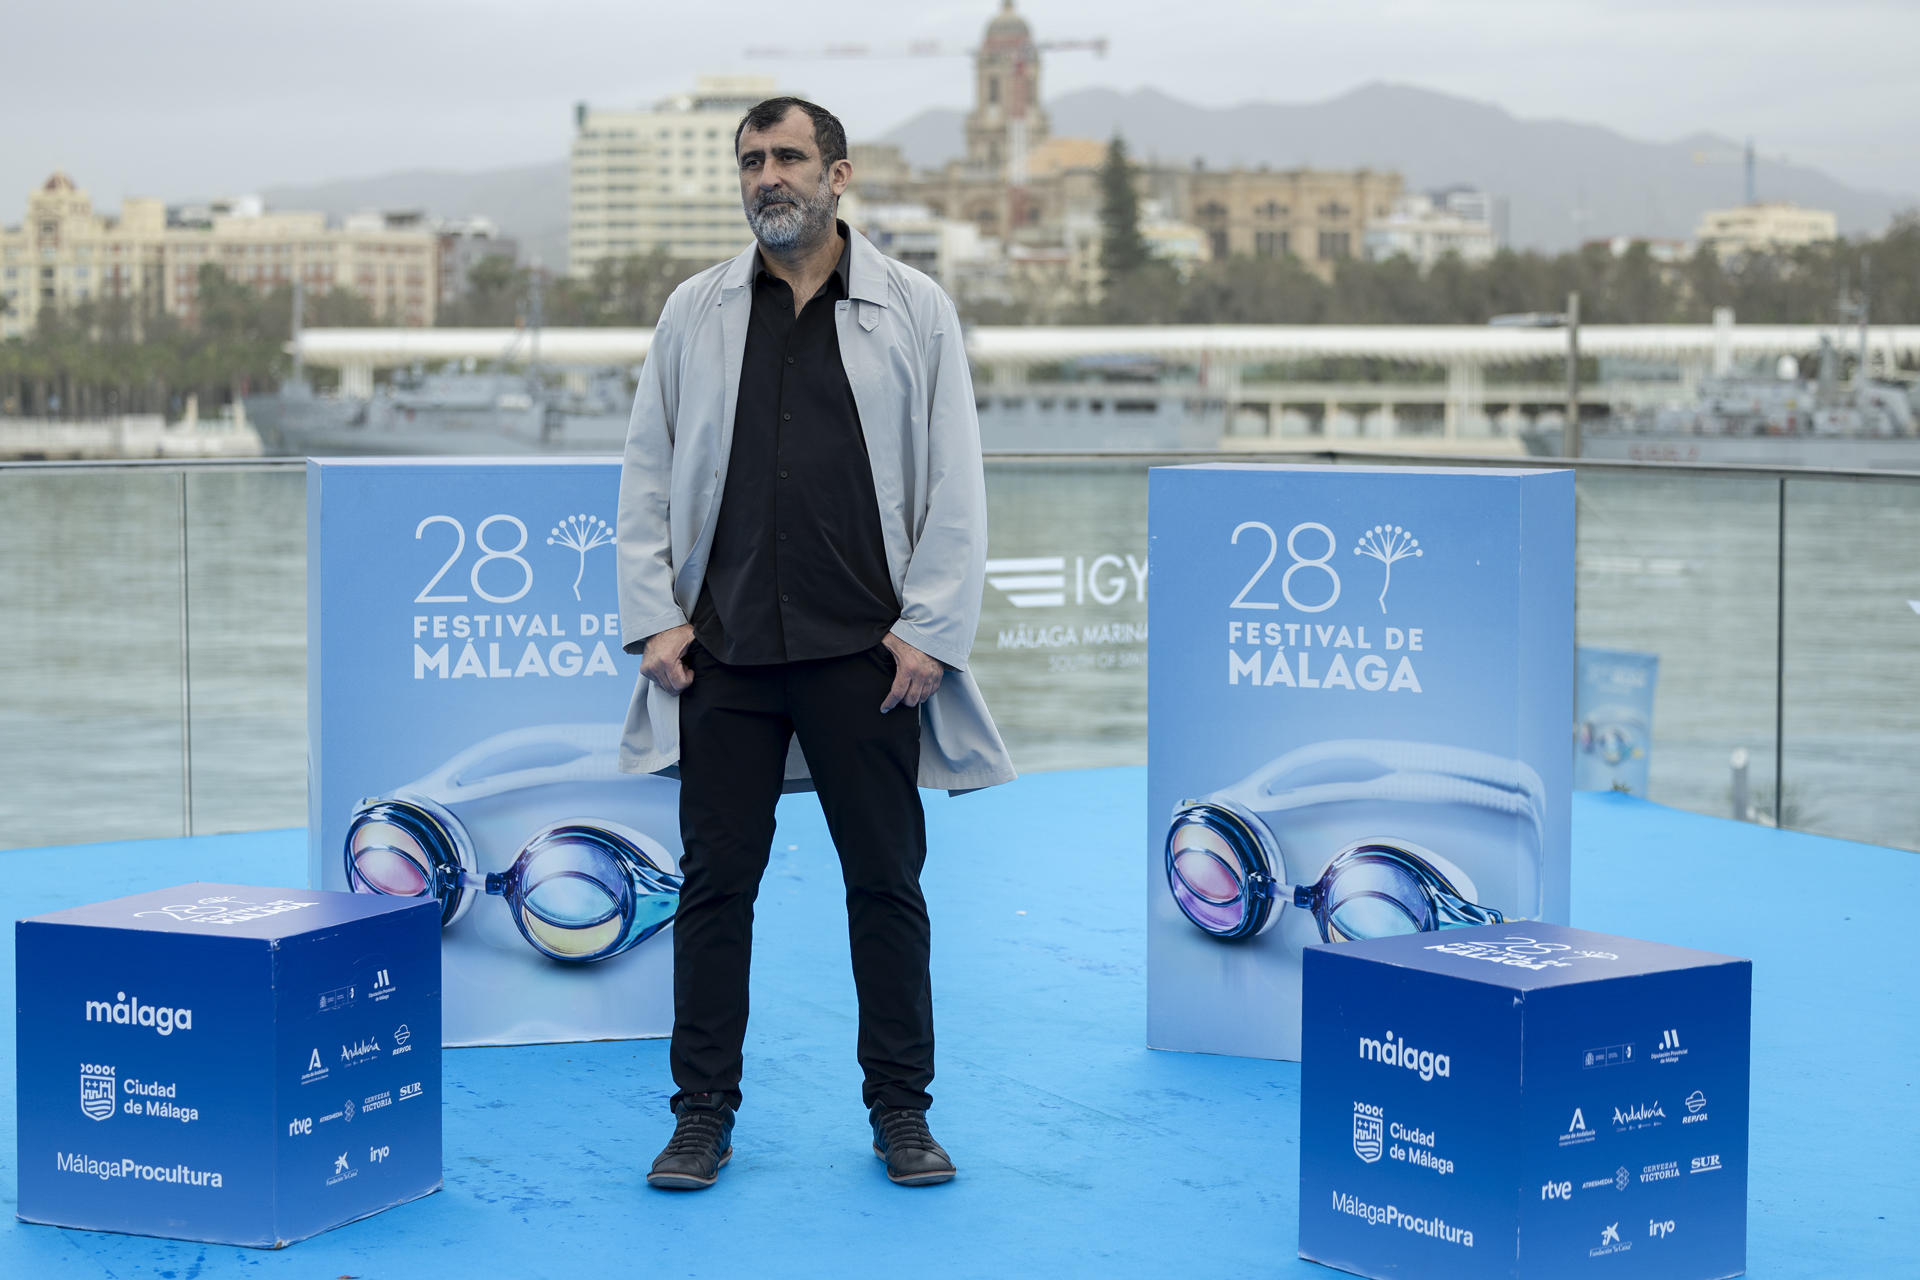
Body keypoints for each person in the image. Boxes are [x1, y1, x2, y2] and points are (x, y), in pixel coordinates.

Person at [614, 96, 1015, 1191]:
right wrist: (655, 614)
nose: (767, 177)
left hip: (864, 659)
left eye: (788, 157)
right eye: (751, 161)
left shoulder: (915, 308)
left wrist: (929, 629)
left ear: (840, 177)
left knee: (885, 886)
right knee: (714, 891)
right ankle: (701, 1113)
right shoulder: (693, 311)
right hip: (727, 656)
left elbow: (956, 485)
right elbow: (647, 472)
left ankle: (902, 1111)